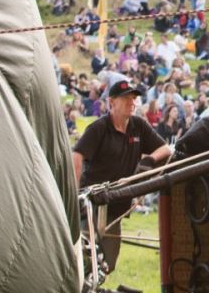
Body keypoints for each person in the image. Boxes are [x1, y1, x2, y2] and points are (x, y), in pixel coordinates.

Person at [72, 81, 171, 273]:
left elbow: (165, 149)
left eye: (133, 98)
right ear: (112, 102)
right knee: (85, 255)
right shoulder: (99, 128)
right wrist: (76, 196)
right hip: (93, 202)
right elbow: (77, 156)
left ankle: (94, 291)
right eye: (125, 98)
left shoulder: (138, 126)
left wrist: (149, 160)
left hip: (117, 202)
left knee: (108, 262)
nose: (131, 102)